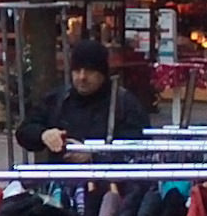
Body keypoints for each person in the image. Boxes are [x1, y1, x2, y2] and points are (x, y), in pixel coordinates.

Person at [14, 39, 149, 159]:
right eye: (77, 71)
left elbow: (138, 149)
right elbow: (24, 131)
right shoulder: (57, 100)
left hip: (108, 177)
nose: (82, 77)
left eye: (90, 71)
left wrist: (94, 155)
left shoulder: (124, 104)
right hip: (62, 175)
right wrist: (44, 135)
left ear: (103, 73)